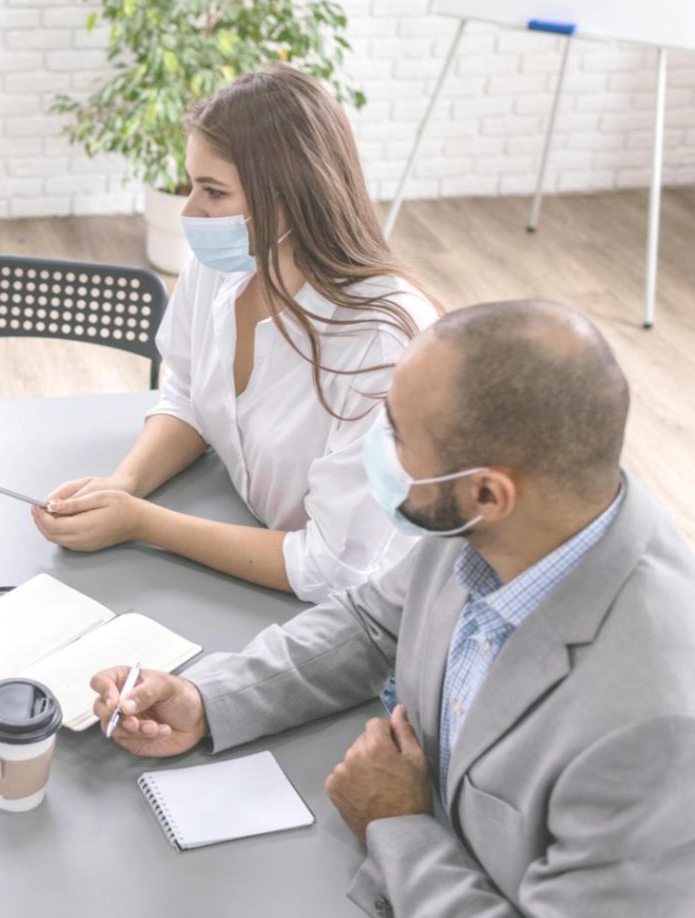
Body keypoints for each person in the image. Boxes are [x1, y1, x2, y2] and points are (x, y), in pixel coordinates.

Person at [89, 300, 695, 917]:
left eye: (398, 436)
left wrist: (397, 826)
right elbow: (372, 622)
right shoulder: (503, 521)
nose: (377, 451)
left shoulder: (653, 722)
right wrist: (208, 700)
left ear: (488, 492)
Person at [33, 66, 438, 602]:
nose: (188, 212)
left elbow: (331, 568)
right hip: (251, 563)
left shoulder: (383, 343)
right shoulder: (224, 265)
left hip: (358, 616)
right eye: (192, 185)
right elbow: (188, 391)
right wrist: (122, 485)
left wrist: (143, 523)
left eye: (213, 192)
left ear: (292, 195)